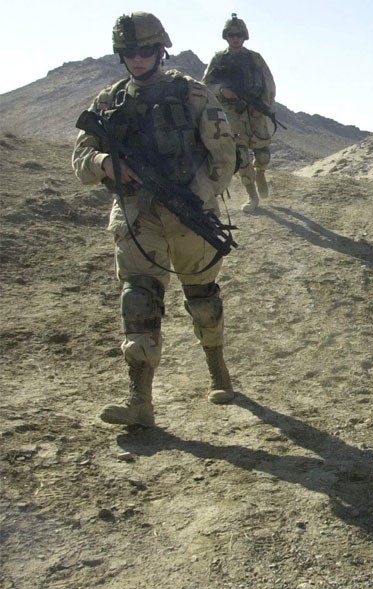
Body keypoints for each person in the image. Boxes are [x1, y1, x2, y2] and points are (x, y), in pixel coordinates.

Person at [72, 12, 237, 428]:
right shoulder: (108, 102)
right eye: (129, 51)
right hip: (134, 215)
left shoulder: (192, 94)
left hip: (190, 214)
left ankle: (217, 368)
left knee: (202, 299)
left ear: (160, 48)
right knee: (139, 299)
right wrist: (105, 162)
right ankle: (139, 400)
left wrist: (192, 198)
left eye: (146, 50)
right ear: (120, 54)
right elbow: (81, 159)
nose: (138, 58)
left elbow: (223, 155)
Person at [202, 13, 276, 214]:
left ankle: (260, 172)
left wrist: (263, 106)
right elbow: (206, 84)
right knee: (241, 157)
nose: (235, 38)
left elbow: (269, 84)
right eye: (232, 35)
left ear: (244, 37)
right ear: (226, 37)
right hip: (232, 115)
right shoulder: (218, 59)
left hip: (255, 113)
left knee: (263, 155)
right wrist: (221, 91)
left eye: (239, 35)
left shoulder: (255, 59)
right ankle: (252, 196)